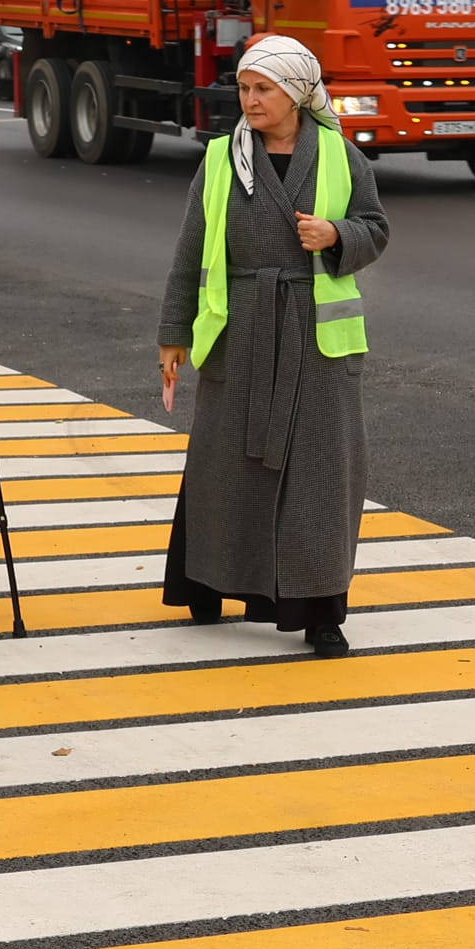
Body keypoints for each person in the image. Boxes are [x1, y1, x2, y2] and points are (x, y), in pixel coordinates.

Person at [156, 32, 390, 656]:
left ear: (297, 93)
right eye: (244, 88)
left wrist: (336, 235)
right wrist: (174, 334)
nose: (250, 100)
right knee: (223, 468)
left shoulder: (341, 155)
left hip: (320, 344)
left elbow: (375, 228)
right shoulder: (219, 160)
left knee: (320, 475)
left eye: (263, 88)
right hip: (239, 334)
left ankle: (319, 613)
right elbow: (190, 251)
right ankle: (207, 583)